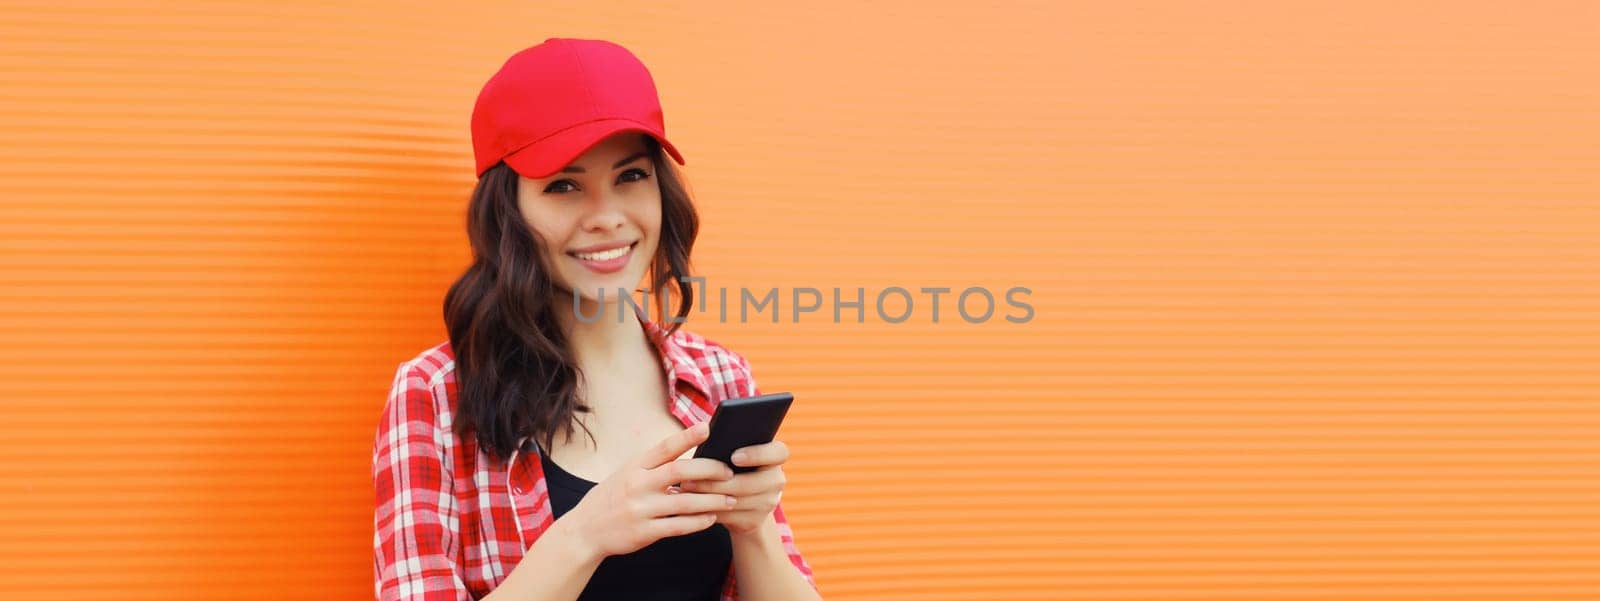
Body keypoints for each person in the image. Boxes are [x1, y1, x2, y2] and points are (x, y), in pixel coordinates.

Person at [372, 38, 819, 601]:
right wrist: (586, 534)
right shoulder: (436, 396)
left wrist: (753, 529)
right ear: (508, 211)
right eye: (564, 186)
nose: (606, 217)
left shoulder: (720, 377)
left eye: (631, 176)